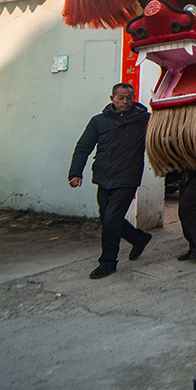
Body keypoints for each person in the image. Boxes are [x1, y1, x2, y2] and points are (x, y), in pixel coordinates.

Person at [68, 83, 153, 279]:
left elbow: (162, 134)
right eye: (121, 98)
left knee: (112, 220)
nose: (125, 102)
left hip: (127, 176)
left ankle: (108, 262)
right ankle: (139, 238)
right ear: (112, 98)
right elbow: (83, 147)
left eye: (129, 98)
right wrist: (75, 173)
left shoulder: (144, 120)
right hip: (103, 176)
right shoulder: (98, 121)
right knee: (106, 217)